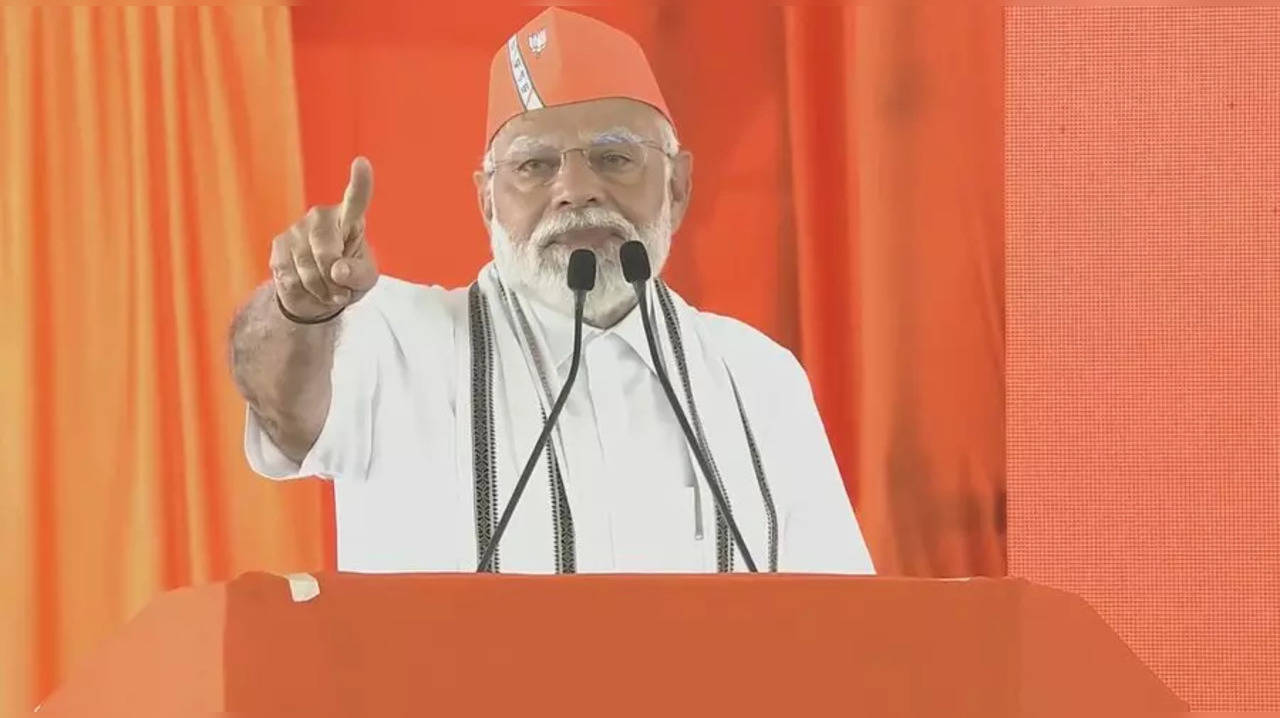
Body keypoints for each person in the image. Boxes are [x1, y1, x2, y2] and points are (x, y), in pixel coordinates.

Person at [228, 7, 874, 575]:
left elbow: (846, 630)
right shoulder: (396, 340)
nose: (574, 189)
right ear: (486, 200)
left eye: (614, 157)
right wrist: (299, 308)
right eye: (534, 166)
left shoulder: (756, 380)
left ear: (676, 186)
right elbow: (281, 404)